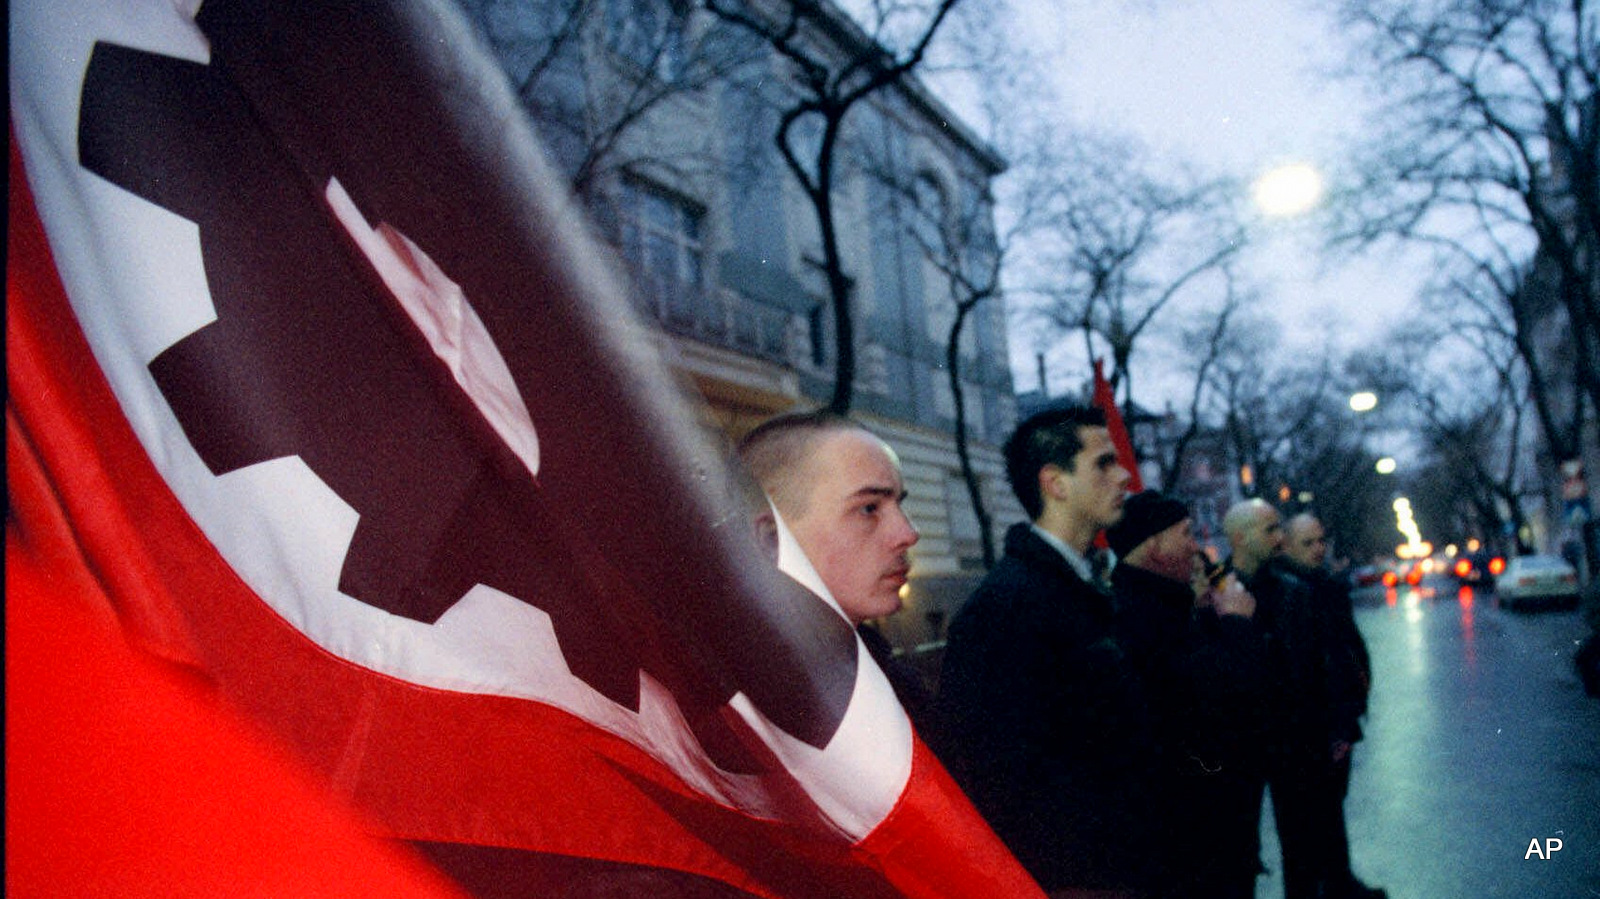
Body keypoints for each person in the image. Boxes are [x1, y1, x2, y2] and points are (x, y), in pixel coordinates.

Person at [937, 405, 1163, 897]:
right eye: (1104, 462)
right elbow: (1000, 778)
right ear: (1055, 483)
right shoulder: (1006, 607)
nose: (1124, 475)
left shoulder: (1076, 587)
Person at [1108, 491, 1268, 899]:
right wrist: (1235, 622)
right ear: (1154, 545)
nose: (1196, 545)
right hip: (1196, 838)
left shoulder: (1161, 607)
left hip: (1208, 831)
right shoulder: (1144, 618)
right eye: (1185, 533)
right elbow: (1222, 697)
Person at [736, 410, 931, 720]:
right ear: (772, 538)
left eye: (898, 504)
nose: (908, 534)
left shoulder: (892, 683)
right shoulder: (736, 714)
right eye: (869, 508)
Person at [1223, 499, 1338, 899]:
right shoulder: (1217, 592)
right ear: (1239, 538)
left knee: (1303, 846)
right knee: (1239, 850)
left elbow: (1317, 666)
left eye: (1279, 530)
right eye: (1269, 530)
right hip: (1244, 745)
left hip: (1295, 738)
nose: (1279, 538)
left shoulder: (1295, 593)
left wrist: (1331, 728)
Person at [1281, 513, 1385, 899]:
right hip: (1315, 725)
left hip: (1339, 717)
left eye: (1320, 540)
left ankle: (1339, 880)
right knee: (1312, 815)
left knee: (1331, 806)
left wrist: (1353, 706)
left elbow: (1345, 651)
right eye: (1307, 543)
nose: (1318, 549)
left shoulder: (1326, 586)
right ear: (1288, 546)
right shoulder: (1292, 591)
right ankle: (1327, 884)